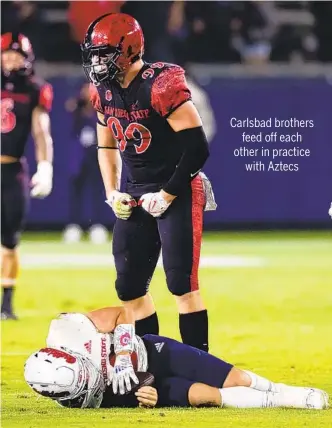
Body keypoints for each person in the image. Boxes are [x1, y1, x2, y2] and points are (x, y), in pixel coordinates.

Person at [80, 12, 217, 352]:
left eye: (104, 52)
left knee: (181, 283)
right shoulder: (104, 92)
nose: (97, 62)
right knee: (129, 287)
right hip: (136, 190)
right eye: (94, 54)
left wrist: (168, 193)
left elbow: (197, 148)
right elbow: (106, 145)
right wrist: (112, 192)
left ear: (128, 50)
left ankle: (199, 365)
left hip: (178, 187)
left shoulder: (160, 84)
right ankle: (151, 362)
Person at [24, 306, 329, 409]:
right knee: (205, 396)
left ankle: (281, 388)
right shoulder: (70, 396)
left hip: (154, 352)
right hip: (139, 386)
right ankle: (291, 400)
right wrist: (143, 397)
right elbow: (112, 399)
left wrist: (126, 356)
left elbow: (123, 312)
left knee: (236, 377)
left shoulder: (69, 329)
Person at [1, 33, 54, 320]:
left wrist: (45, 165)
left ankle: (6, 304)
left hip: (12, 169)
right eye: (6, 54)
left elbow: (41, 131)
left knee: (10, 239)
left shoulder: (35, 88)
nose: (10, 59)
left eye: (16, 54)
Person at [63, 82, 107, 244]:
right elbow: (68, 107)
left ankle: (97, 225)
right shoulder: (77, 110)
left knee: (98, 192)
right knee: (76, 192)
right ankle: (74, 225)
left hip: (97, 155)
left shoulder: (102, 111)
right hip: (79, 157)